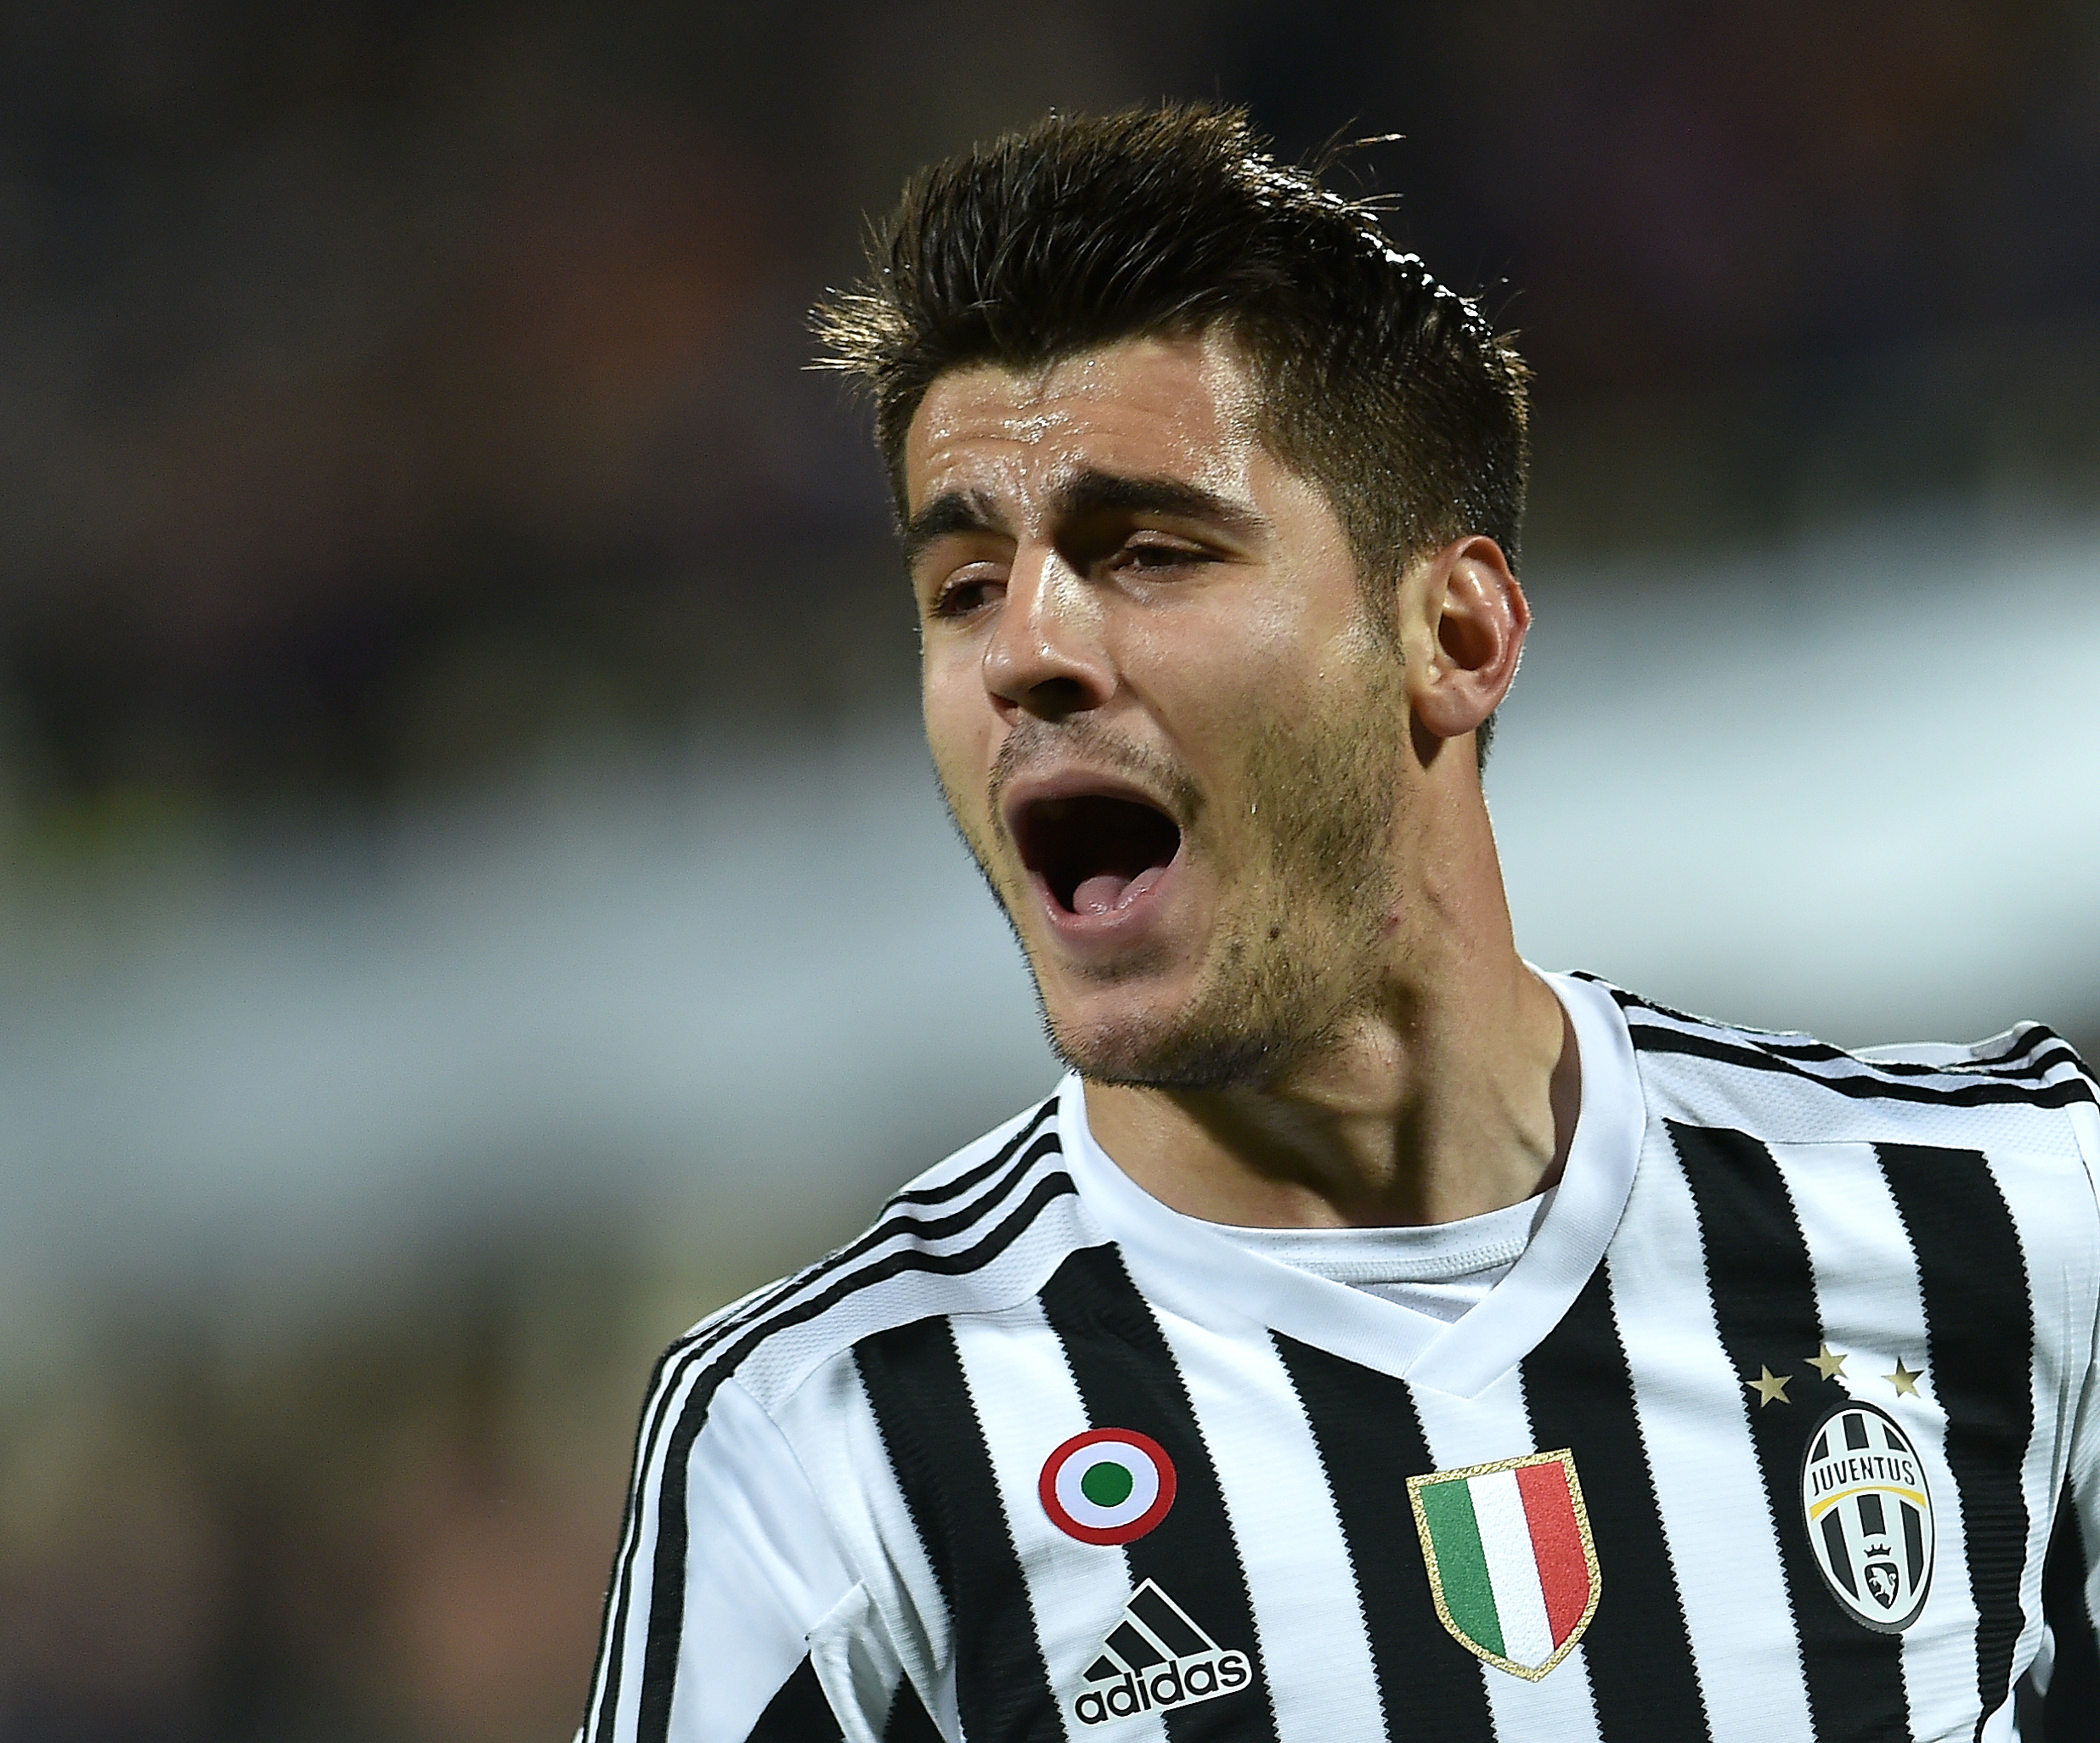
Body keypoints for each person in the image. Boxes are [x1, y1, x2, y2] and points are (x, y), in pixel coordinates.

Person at [577, 105, 2100, 1743]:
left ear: (1454, 632)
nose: (1025, 649)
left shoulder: (2005, 1225)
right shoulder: (836, 1451)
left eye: (1148, 550)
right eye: (961, 588)